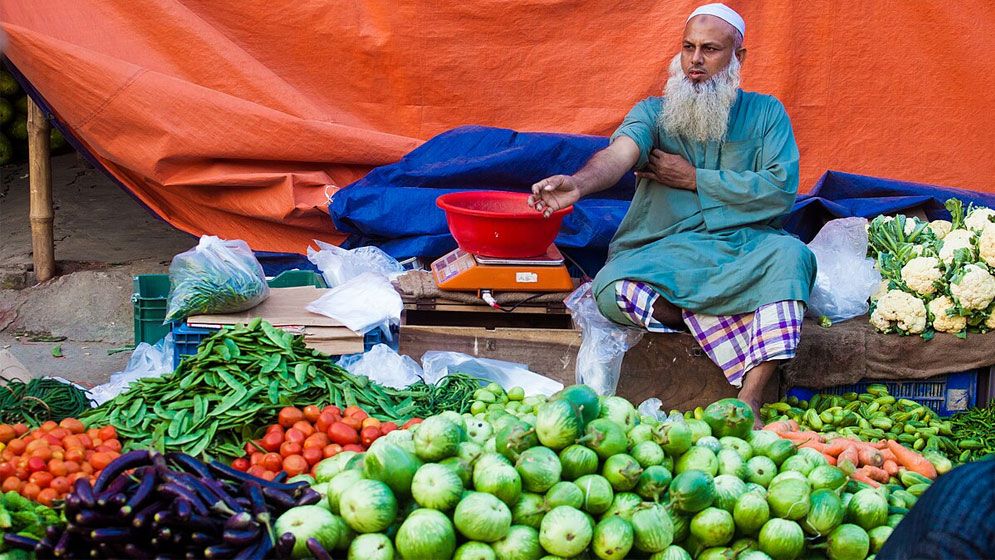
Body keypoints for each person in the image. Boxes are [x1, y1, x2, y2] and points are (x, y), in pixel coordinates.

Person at [528, 3, 816, 423]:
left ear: (738, 56)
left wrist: (695, 178)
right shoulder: (653, 113)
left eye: (710, 49)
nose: (695, 60)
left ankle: (750, 398)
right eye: (688, 47)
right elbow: (619, 154)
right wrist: (579, 183)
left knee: (793, 258)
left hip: (743, 250)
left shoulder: (767, 113)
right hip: (664, 251)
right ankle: (712, 320)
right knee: (611, 288)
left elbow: (780, 190)